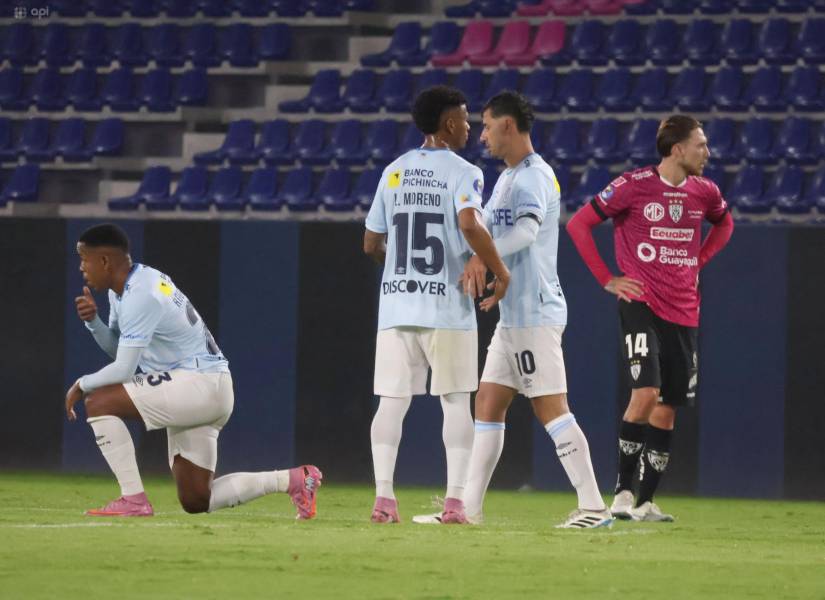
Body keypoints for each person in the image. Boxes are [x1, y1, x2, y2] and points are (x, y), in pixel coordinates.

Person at [66, 223, 322, 518]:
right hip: (205, 386)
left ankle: (133, 499)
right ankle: (294, 480)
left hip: (197, 384)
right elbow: (122, 352)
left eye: (84, 258)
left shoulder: (141, 293)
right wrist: (93, 323)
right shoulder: (125, 290)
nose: (82, 267)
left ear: (105, 260)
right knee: (197, 498)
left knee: (98, 402)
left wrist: (81, 383)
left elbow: (124, 368)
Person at [445, 91, 612, 529]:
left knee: (550, 407)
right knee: (488, 402)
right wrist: (499, 274)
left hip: (535, 312)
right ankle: (469, 511)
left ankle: (594, 507)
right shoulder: (506, 178)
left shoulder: (534, 176)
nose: (481, 135)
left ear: (508, 125)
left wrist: (485, 258)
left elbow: (526, 232)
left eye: (485, 125)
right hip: (513, 315)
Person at [566, 115, 734, 522]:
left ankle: (645, 502)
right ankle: (622, 492)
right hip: (642, 302)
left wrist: (699, 259)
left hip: (684, 310)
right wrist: (608, 279)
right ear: (677, 149)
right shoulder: (632, 186)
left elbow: (724, 223)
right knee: (645, 394)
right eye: (700, 144)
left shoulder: (705, 191)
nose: (707, 152)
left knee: (668, 406)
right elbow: (579, 223)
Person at [363, 85, 510, 524]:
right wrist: (496, 267)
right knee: (454, 403)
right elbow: (469, 223)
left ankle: (384, 500)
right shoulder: (464, 172)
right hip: (446, 308)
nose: (469, 126)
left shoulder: (394, 170)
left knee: (391, 403)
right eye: (465, 119)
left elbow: (371, 242)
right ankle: (454, 503)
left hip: (396, 308)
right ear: (448, 124)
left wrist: (401, 272)